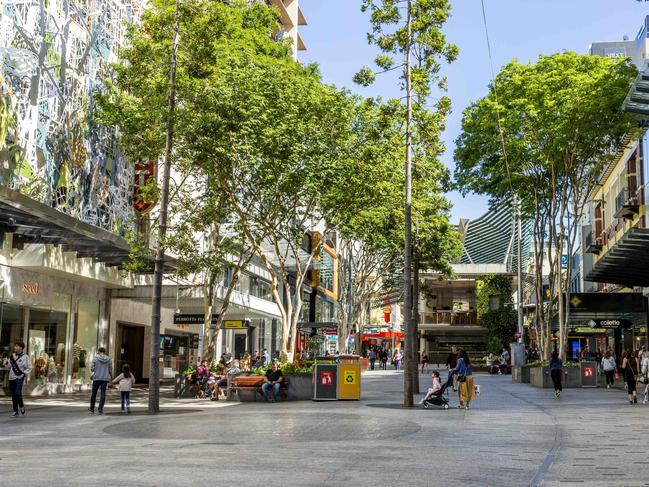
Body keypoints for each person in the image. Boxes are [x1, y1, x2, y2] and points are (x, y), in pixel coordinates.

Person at [5, 341, 32, 417]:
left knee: (17, 393)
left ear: (21, 347)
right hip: (11, 377)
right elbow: (9, 367)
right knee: (14, 394)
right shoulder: (12, 356)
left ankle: (18, 408)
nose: (15, 347)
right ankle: (18, 409)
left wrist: (23, 373)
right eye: (15, 346)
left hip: (19, 377)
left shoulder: (25, 357)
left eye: (16, 346)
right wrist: (6, 363)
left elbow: (30, 367)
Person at [89, 347, 113, 414]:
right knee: (103, 394)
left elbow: (92, 369)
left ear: (98, 351)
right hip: (105, 378)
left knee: (94, 394)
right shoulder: (109, 359)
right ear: (104, 352)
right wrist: (111, 376)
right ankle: (100, 409)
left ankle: (92, 408)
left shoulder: (95, 359)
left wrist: (96, 369)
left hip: (96, 378)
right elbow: (110, 369)